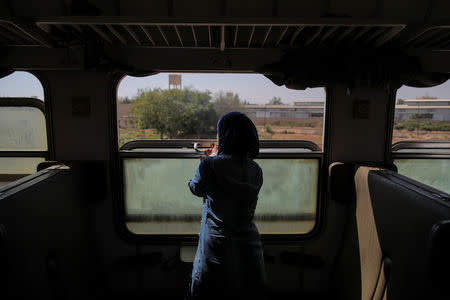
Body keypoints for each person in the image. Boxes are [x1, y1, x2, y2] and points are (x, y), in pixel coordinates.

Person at [187, 111, 266, 300]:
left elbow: (195, 188)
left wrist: (209, 159)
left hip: (217, 243)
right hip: (249, 244)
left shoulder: (210, 165)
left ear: (224, 136)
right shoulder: (256, 170)